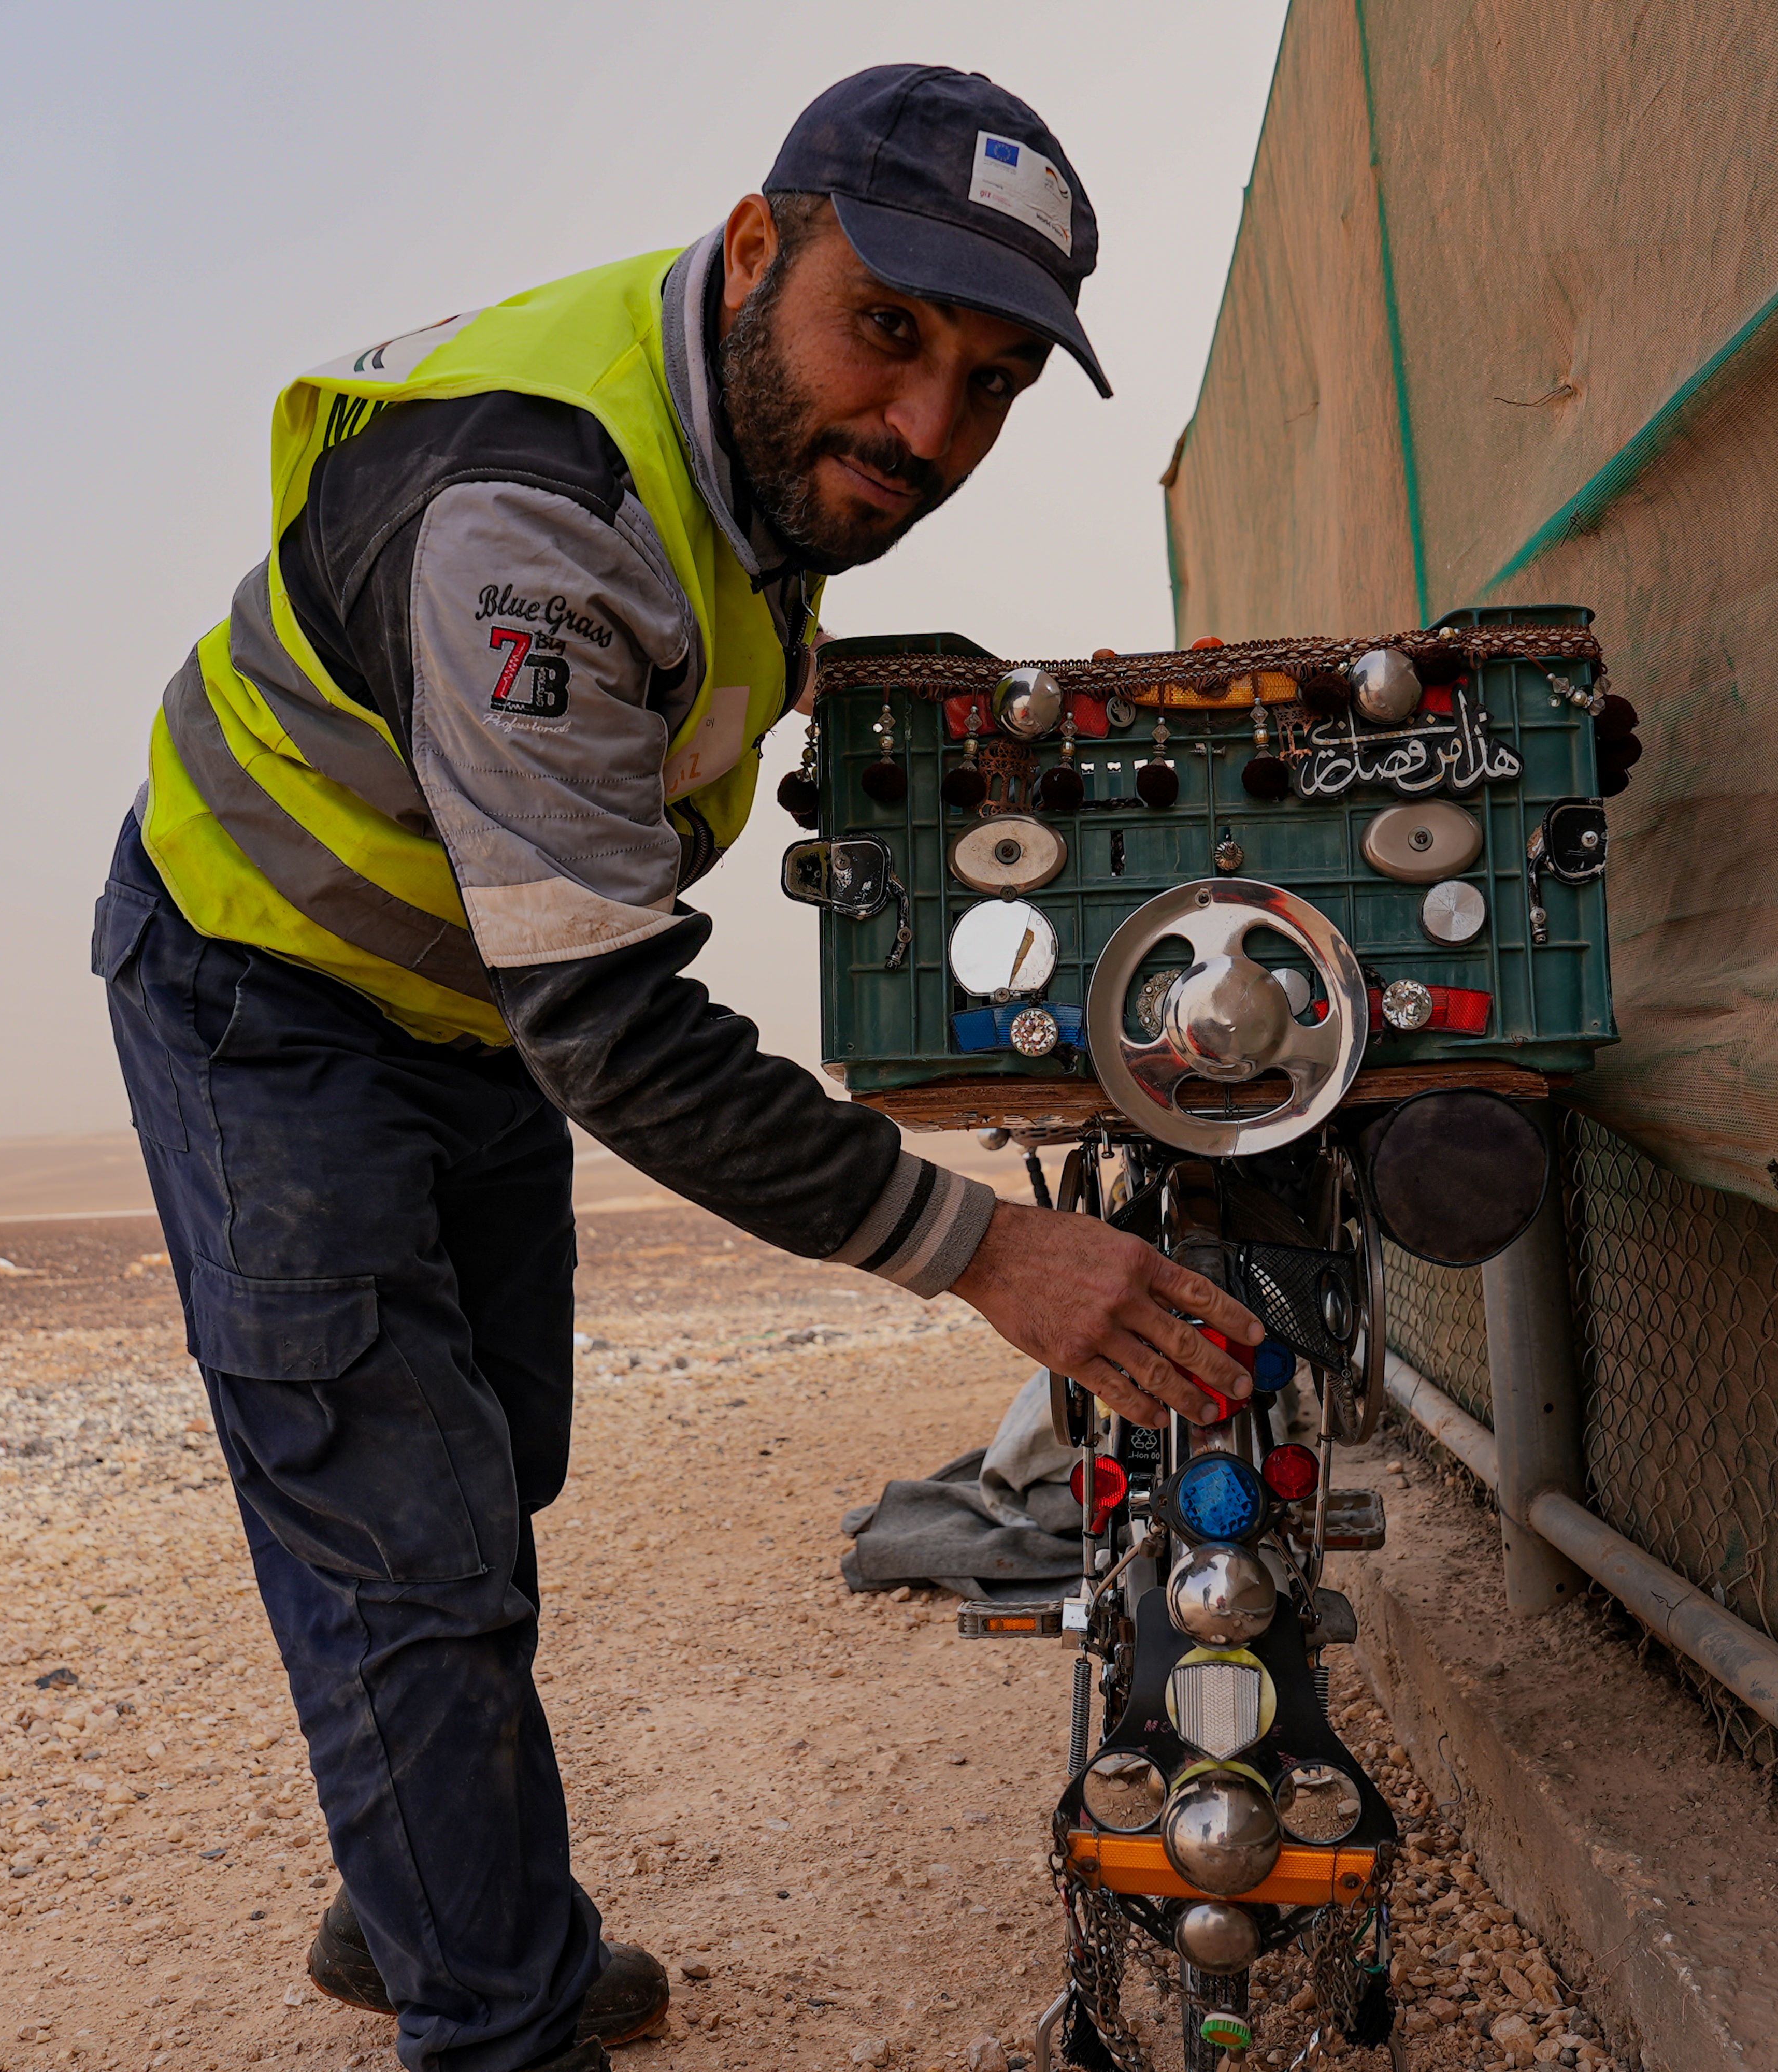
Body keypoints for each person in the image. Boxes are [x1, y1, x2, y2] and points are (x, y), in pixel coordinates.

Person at [94, 63, 1264, 2072]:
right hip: (267, 991)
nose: (923, 427)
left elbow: (700, 684)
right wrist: (985, 1250)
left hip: (462, 1006)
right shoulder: (528, 529)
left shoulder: (744, 438)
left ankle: (422, 1889)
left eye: (985, 380)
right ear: (755, 249)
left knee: (494, 1459)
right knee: (406, 1534)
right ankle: (493, 2010)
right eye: (885, 333)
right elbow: (620, 1029)